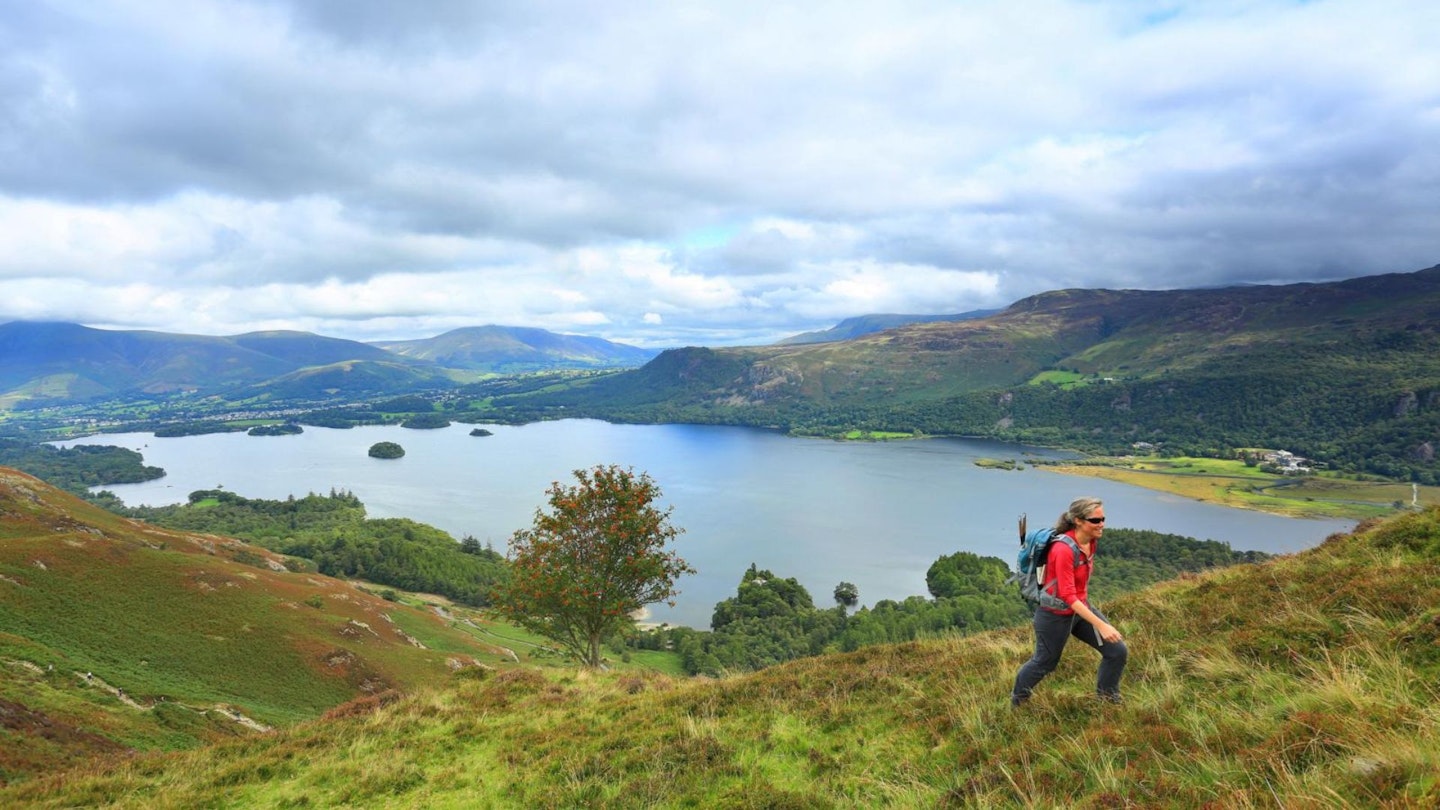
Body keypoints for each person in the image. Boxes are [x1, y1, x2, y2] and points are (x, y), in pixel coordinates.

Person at [1011, 496, 1128, 705]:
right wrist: (1101, 625)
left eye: (1103, 519)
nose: (1101, 524)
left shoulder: (1091, 542)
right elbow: (1067, 595)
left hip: (1079, 611)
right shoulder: (1063, 549)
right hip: (1054, 616)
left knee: (1117, 651)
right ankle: (1018, 702)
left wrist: (1093, 618)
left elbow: (1077, 592)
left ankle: (1108, 701)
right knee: (1045, 663)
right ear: (1078, 521)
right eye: (1095, 520)